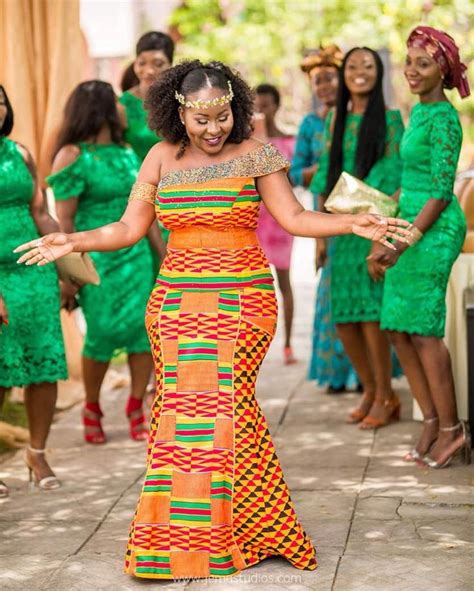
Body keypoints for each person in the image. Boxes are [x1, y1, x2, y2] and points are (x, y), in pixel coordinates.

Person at [15, 60, 411, 579]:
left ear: (236, 109)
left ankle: (219, 534)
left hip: (242, 299)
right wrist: (74, 239)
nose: (213, 129)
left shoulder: (256, 153)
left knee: (224, 403)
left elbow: (293, 217)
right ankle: (208, 534)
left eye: (222, 116)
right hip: (176, 301)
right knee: (184, 414)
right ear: (178, 113)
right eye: (201, 119)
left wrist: (351, 221)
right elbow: (129, 227)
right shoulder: (157, 158)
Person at [376, 27, 471, 468]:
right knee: (397, 327)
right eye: (409, 62)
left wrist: (403, 242)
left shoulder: (446, 119)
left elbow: (438, 192)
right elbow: (409, 183)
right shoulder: (417, 113)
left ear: (443, 70)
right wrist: (380, 231)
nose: (412, 72)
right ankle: (430, 420)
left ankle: (452, 430)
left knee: (423, 330)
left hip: (434, 230)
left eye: (423, 64)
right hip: (407, 223)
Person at [48, 81, 154, 444]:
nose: (127, 107)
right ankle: (92, 405)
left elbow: (146, 210)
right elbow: (65, 223)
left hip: (137, 257)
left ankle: (136, 405)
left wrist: (161, 256)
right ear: (101, 108)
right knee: (103, 334)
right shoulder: (72, 155)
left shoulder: (127, 153)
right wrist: (67, 275)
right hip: (96, 260)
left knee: (144, 334)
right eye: (118, 102)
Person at [311, 47, 405, 428]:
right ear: (343, 74)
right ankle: (369, 389)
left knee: (369, 315)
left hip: (372, 223)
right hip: (338, 228)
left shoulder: (393, 119)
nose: (359, 72)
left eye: (368, 66)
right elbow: (326, 173)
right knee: (344, 319)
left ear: (378, 74)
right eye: (352, 67)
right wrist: (318, 237)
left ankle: (387, 394)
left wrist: (379, 230)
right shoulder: (335, 117)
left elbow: (395, 173)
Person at [0, 85, 67, 494]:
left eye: (1, 100)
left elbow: (40, 212)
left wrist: (68, 259)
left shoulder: (20, 153)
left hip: (34, 273)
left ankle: (37, 453)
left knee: (44, 365)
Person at [297, 46, 358, 394]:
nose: (324, 86)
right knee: (333, 294)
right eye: (318, 81)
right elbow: (295, 173)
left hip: (362, 210)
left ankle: (368, 378)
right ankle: (337, 374)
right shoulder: (310, 124)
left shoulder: (358, 116)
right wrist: (328, 168)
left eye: (330, 78)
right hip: (328, 214)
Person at [118, 31, 174, 265]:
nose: (149, 70)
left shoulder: (180, 103)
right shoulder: (121, 106)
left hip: (175, 192)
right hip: (137, 195)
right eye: (142, 63)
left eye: (158, 64)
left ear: (171, 65)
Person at [254, 83, 297, 363]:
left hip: (279, 221)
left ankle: (288, 343)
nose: (260, 111)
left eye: (266, 105)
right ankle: (256, 344)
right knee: (255, 283)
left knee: (283, 281)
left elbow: (290, 184)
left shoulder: (288, 142)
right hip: (254, 220)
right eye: (256, 105)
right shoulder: (246, 143)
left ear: (276, 106)